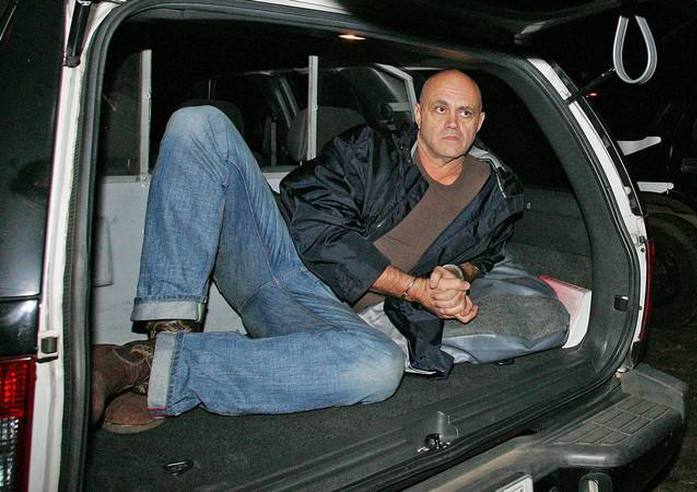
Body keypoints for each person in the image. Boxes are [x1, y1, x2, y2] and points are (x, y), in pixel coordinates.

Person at [91, 69, 524, 433]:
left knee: (378, 367)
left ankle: (147, 367)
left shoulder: (496, 193)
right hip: (275, 260)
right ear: (418, 113)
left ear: (480, 121)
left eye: (465, 112)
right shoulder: (368, 150)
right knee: (199, 124)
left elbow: (485, 254)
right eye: (440, 109)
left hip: (323, 314)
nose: (452, 123)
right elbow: (314, 227)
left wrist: (457, 274)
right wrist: (415, 288)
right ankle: (167, 338)